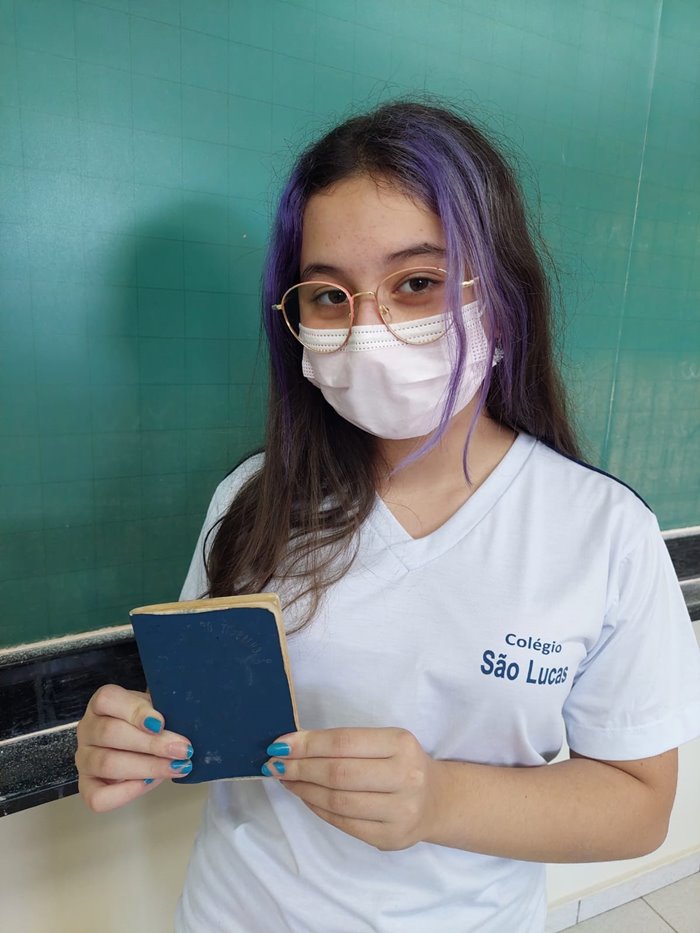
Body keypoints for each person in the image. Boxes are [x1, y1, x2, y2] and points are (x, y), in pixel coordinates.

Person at [75, 100, 700, 933]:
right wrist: (129, 738)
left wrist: (439, 798)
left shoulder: (602, 532)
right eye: (329, 295)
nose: (368, 328)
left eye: (416, 283)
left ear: (501, 293)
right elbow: (192, 717)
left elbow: (639, 806)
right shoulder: (251, 502)